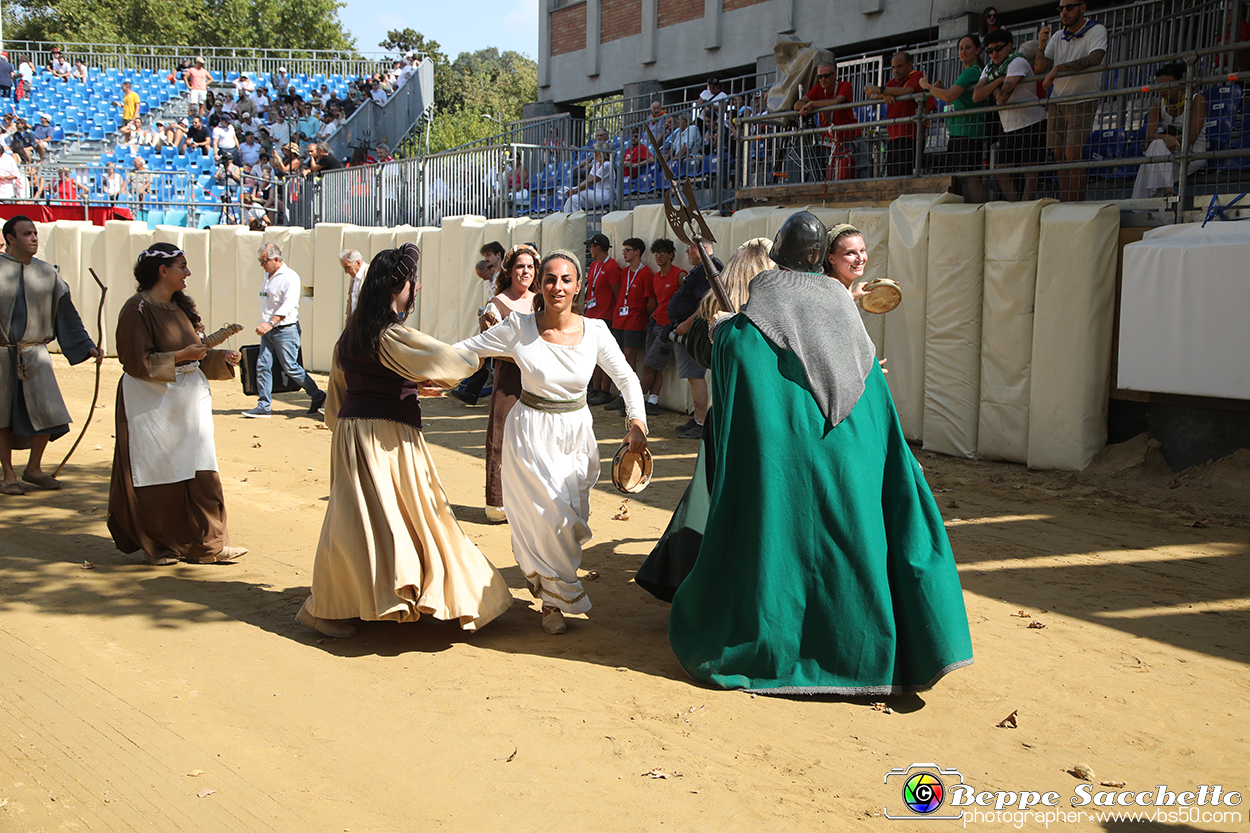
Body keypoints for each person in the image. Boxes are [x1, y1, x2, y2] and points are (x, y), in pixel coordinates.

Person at [665, 211, 974, 694]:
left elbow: (729, 361)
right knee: (854, 544)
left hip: (783, 474)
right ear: (819, 260)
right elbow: (879, 412)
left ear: (780, 258)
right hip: (850, 464)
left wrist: (723, 328)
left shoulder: (744, 335)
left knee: (778, 547)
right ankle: (863, 655)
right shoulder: (856, 339)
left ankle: (774, 650)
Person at [298, 244, 512, 639]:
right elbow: (451, 363)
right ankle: (456, 596)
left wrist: (407, 386)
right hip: (387, 437)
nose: (416, 289)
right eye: (413, 282)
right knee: (420, 514)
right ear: (400, 286)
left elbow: (340, 392)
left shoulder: (352, 334)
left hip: (354, 434)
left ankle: (340, 604)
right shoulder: (391, 334)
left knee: (357, 522)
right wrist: (485, 348)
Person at [453, 250, 647, 635]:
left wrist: (637, 422)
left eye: (566, 280)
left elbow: (627, 379)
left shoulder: (596, 332)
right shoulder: (519, 327)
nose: (557, 287)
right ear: (539, 285)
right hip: (528, 433)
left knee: (569, 520)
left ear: (578, 286)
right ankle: (551, 602)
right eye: (550, 279)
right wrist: (416, 369)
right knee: (543, 518)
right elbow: (466, 350)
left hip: (576, 433)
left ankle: (551, 584)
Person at [634, 238, 774, 602]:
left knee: (722, 503)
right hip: (752, 422)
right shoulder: (733, 317)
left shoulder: (723, 313)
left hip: (730, 419)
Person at [107, 244, 247, 564]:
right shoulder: (136, 309)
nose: (188, 273)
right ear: (163, 271)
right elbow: (134, 361)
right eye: (182, 266)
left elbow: (193, 355)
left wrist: (218, 358)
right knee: (157, 472)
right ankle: (162, 545)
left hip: (188, 401)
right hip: (150, 402)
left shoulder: (180, 307)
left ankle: (208, 545)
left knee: (201, 469)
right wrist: (183, 356)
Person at [0, 216, 103, 495]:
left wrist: (87, 346)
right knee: (2, 416)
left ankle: (34, 469)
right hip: (1, 355)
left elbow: (67, 315)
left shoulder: (48, 274)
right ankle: (8, 474)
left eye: (35, 233)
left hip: (35, 354)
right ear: (10, 238)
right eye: (26, 234)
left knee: (47, 410)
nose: (34, 238)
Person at [478, 243, 539, 522]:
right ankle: (498, 503)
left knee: (534, 440)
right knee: (503, 438)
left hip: (539, 381)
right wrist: (522, 354)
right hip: (510, 379)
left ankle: (529, 501)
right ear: (510, 270)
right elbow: (488, 345)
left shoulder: (541, 299)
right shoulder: (497, 303)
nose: (525, 271)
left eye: (530, 266)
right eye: (519, 266)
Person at [1035, 0, 1107, 202]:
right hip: (1058, 101)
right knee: (1060, 158)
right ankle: (1065, 203)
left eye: (1069, 7)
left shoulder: (1096, 29)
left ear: (1083, 7)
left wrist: (1058, 69)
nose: (1063, 12)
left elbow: (1096, 58)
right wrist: (1041, 45)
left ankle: (1077, 204)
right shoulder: (1058, 36)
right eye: (1061, 8)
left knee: (1073, 155)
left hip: (1083, 99)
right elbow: (1041, 67)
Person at [243, 243, 325, 418]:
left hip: (285, 329)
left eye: (264, 261)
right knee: (262, 365)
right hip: (269, 329)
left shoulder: (290, 277)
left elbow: (289, 304)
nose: (262, 264)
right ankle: (264, 405)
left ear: (276, 259)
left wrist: (270, 323)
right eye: (260, 260)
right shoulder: (267, 275)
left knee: (291, 367)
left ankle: (317, 395)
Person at [975, 29, 1047, 201]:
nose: (994, 53)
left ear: (1009, 46)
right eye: (990, 50)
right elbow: (976, 95)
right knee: (1002, 170)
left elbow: (1002, 98)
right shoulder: (990, 67)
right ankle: (1015, 207)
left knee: (1029, 170)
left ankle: (1025, 209)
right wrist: (999, 80)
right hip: (1009, 127)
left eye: (998, 48)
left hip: (1032, 122)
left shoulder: (1018, 61)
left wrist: (992, 84)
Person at [921, 34, 988, 202]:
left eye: (968, 47)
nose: (963, 51)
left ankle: (979, 208)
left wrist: (927, 86)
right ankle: (971, 209)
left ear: (978, 50)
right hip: (959, 131)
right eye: (961, 48)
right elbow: (950, 96)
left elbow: (949, 96)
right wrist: (940, 90)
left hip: (968, 131)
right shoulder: (968, 72)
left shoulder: (973, 71)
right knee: (963, 177)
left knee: (970, 176)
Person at [667, 240, 722, 439]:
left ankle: (701, 422)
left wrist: (688, 324)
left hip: (692, 332)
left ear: (704, 250)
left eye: (691, 247)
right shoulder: (701, 270)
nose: (687, 251)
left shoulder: (709, 269)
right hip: (687, 331)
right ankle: (699, 420)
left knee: (695, 376)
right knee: (693, 377)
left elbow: (709, 300)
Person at [1131, 62, 1210, 199]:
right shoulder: (1158, 105)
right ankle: (1168, 192)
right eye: (1160, 87)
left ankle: (1147, 203)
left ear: (1179, 82)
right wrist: (1167, 139)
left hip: (1192, 152)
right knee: (1157, 146)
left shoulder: (1197, 100)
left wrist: (1166, 139)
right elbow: (1149, 134)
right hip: (1167, 153)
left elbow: (1191, 138)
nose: (1163, 90)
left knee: (1154, 152)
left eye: (1167, 86)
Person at [450, 242, 505, 406]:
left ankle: (471, 391)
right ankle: (471, 391)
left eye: (488, 255)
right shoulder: (494, 277)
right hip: (497, 323)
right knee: (487, 356)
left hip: (504, 324)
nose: (487, 259)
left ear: (498, 255)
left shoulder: (505, 275)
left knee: (487, 356)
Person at [604, 237, 651, 413]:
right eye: (623, 250)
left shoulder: (645, 273)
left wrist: (639, 313)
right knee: (620, 357)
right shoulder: (624, 273)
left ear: (637, 252)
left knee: (629, 357)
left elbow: (650, 301)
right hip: (620, 320)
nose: (624, 253)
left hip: (635, 321)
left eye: (627, 250)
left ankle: (627, 397)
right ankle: (622, 394)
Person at [795, 57, 861, 180]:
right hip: (831, 141)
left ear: (835, 75)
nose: (823, 80)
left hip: (851, 137)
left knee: (858, 171)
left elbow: (836, 102)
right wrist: (820, 108)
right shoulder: (818, 89)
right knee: (833, 175)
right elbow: (797, 104)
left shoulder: (845, 85)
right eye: (820, 77)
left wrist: (814, 104)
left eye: (826, 76)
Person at [639, 238, 685, 416]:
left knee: (650, 365)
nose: (658, 256)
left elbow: (688, 300)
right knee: (654, 366)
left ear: (671, 255)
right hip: (655, 323)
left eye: (662, 253)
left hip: (668, 327)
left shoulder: (680, 275)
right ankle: (652, 401)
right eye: (656, 253)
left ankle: (636, 401)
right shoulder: (656, 277)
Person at [866, 51, 928, 177]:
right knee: (893, 174)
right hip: (894, 135)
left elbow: (909, 91)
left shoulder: (917, 75)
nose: (895, 70)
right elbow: (872, 95)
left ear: (910, 65)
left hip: (910, 135)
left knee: (904, 174)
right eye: (893, 67)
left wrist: (882, 90)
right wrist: (885, 94)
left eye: (899, 66)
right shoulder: (893, 82)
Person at [582, 233, 620, 406]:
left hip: (605, 316)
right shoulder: (595, 265)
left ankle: (605, 390)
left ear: (598, 247)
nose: (589, 250)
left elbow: (617, 293)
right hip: (592, 315)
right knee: (593, 356)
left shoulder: (612, 267)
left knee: (604, 355)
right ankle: (595, 389)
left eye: (590, 246)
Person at [561, 142, 613, 213]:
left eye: (595, 150)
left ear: (600, 152)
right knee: (573, 199)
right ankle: (568, 220)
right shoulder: (596, 164)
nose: (593, 152)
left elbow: (592, 181)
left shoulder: (607, 164)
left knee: (580, 190)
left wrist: (576, 190)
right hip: (595, 195)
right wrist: (575, 189)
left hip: (604, 195)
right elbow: (588, 179)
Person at [340, 249, 367, 315]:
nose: (346, 272)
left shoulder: (370, 274)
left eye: (347, 267)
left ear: (358, 263)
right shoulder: (354, 277)